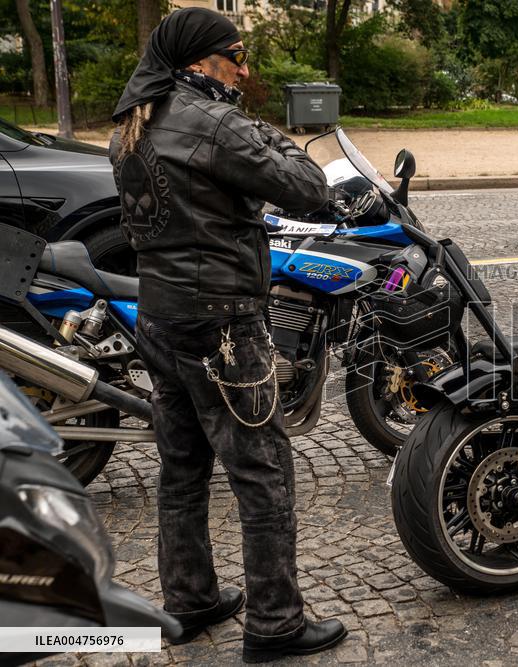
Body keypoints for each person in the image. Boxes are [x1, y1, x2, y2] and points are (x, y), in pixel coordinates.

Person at [109, 8, 346, 663]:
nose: (244, 70)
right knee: (264, 472)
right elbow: (307, 185)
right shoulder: (209, 119)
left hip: (159, 314)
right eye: (235, 57)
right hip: (222, 322)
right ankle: (275, 623)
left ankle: (190, 596)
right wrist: (257, 128)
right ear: (198, 61)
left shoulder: (133, 119)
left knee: (182, 468)